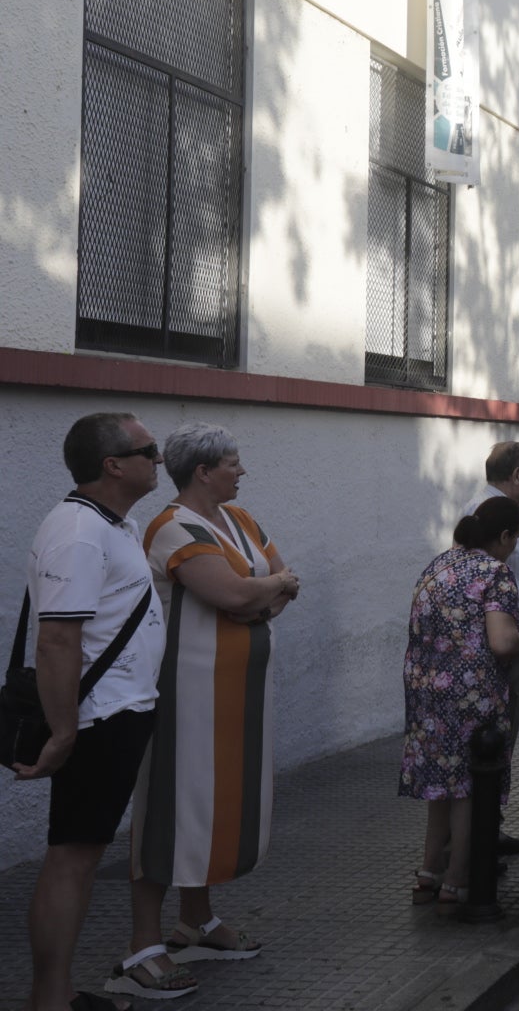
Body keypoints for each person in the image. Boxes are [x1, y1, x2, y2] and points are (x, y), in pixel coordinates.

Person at [119, 424, 301, 996]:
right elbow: (232, 593)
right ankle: (143, 944)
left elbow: (283, 583)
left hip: (240, 694)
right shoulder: (171, 528)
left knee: (213, 806)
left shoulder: (241, 521)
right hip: (184, 695)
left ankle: (195, 920)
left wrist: (259, 594)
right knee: (172, 805)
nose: (241, 471)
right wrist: (258, 593)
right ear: (202, 471)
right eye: (232, 462)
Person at [19, 414, 169, 1011]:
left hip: (117, 712)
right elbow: (57, 640)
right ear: (113, 464)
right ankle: (49, 1000)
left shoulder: (114, 525)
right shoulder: (79, 531)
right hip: (97, 717)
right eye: (148, 450)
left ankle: (52, 996)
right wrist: (62, 731)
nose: (159, 459)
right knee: (73, 859)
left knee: (80, 856)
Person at [400, 497, 519, 909]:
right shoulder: (494, 573)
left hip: (425, 691)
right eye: (515, 539)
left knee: (439, 789)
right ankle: (457, 879)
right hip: (470, 694)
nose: (514, 547)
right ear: (504, 536)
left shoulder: (438, 565)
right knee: (468, 788)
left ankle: (428, 873)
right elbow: (501, 642)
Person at [465, 441, 519, 856]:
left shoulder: (500, 509)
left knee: (502, 734)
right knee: (496, 734)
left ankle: (488, 827)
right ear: (516, 475)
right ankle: (482, 834)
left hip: (510, 630)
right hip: (502, 637)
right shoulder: (490, 513)